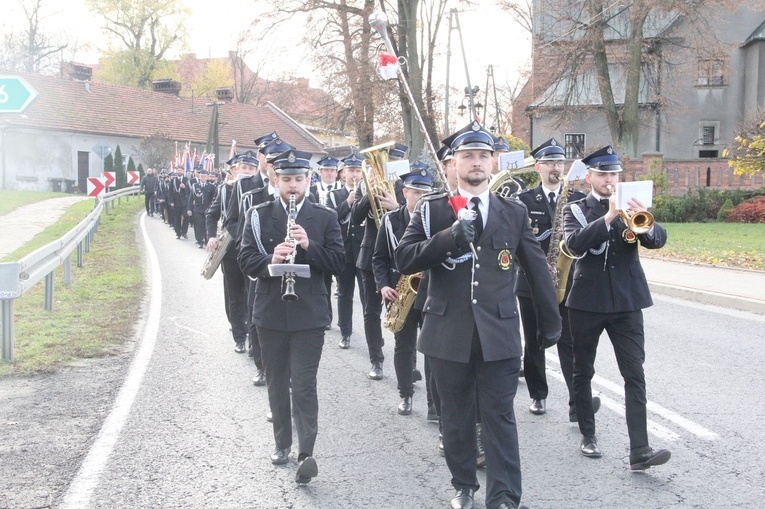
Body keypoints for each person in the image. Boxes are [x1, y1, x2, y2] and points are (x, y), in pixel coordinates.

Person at [395, 121, 560, 509]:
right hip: (446, 332)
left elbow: (536, 268)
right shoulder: (432, 209)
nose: (476, 163)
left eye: (483, 156)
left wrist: (551, 323)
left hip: (498, 333)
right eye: (467, 156)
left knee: (500, 415)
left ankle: (503, 496)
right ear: (453, 164)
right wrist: (451, 236)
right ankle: (464, 484)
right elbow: (405, 258)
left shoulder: (513, 212)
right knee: (455, 417)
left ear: (493, 162)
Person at [238, 149, 345, 484]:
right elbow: (244, 259)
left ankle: (306, 453)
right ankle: (282, 443)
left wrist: (309, 246)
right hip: (269, 312)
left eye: (299, 179)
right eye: (286, 179)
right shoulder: (258, 214)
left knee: (303, 384)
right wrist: (272, 258)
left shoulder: (324, 217)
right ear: (276, 180)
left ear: (308, 180)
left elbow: (340, 262)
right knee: (276, 381)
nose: (293, 185)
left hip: (309, 315)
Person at [562, 145, 671, 470]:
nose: (610, 179)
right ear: (590, 176)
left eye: (614, 174)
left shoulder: (633, 206)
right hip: (586, 302)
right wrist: (609, 217)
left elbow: (658, 239)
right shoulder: (577, 209)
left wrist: (646, 224)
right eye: (604, 174)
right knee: (583, 371)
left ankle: (640, 450)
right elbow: (574, 244)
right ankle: (588, 435)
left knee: (634, 373)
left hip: (627, 301)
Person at [514, 138, 601, 420]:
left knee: (570, 342)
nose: (556, 168)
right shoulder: (524, 201)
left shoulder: (576, 201)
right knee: (535, 340)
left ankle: (578, 403)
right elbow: (516, 244)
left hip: (569, 281)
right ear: (538, 167)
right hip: (530, 282)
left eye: (560, 163)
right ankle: (538, 394)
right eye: (551, 163)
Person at [373, 167, 432, 416]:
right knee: (403, 345)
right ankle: (405, 394)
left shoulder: (436, 218)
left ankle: (434, 403)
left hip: (430, 290)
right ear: (405, 192)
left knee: (432, 348)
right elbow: (379, 258)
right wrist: (384, 285)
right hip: (400, 290)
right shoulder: (390, 220)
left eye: (425, 192)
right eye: (416, 191)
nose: (420, 197)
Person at [351, 148, 405, 380]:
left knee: (403, 314)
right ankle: (376, 360)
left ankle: (406, 363)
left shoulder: (406, 187)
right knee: (370, 312)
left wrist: (397, 207)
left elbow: (417, 219)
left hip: (401, 259)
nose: (387, 166)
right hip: (370, 256)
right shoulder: (365, 185)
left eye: (392, 161)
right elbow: (354, 219)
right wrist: (369, 193)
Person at [327, 155, 366, 349]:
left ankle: (372, 334)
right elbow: (330, 218)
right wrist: (348, 202)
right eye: (351, 171)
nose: (355, 175)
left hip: (363, 252)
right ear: (343, 174)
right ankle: (345, 332)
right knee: (344, 293)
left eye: (358, 171)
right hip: (344, 252)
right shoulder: (334, 195)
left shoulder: (368, 193)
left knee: (367, 295)